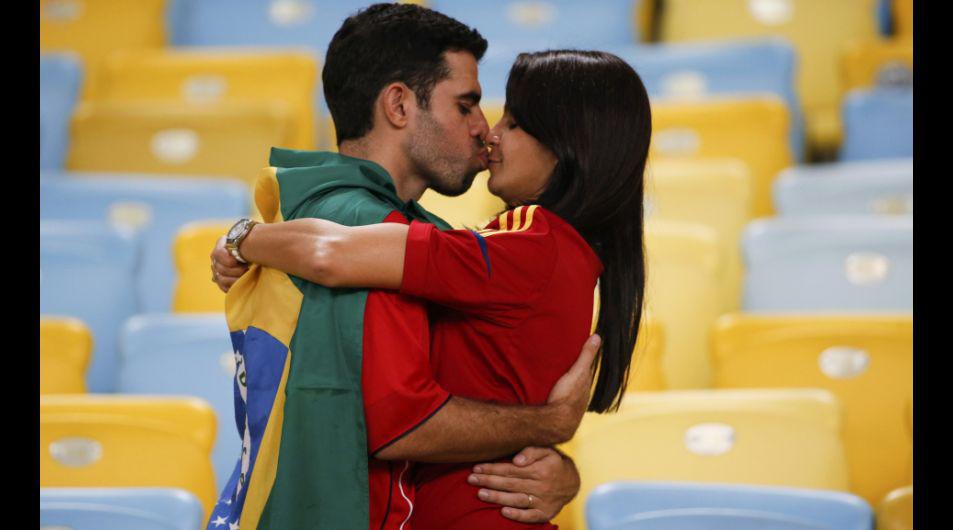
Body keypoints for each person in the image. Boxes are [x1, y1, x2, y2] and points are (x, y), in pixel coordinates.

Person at [213, 47, 651, 529]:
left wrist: (242, 238)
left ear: (570, 145)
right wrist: (551, 439)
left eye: (516, 122)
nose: (492, 133)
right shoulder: (562, 253)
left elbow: (330, 254)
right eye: (476, 110)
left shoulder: (533, 242)